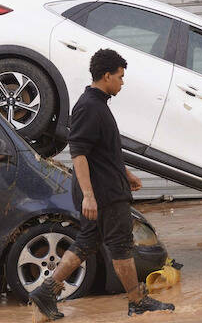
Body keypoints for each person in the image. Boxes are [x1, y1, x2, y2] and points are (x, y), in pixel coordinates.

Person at [29, 49, 175, 321]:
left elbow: (105, 151)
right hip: (103, 194)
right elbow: (79, 152)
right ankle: (137, 301)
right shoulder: (89, 106)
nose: (122, 82)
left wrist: (126, 173)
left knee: (88, 241)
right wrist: (88, 196)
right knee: (121, 245)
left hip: (104, 188)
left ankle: (47, 290)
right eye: (120, 77)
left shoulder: (98, 104)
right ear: (107, 76)